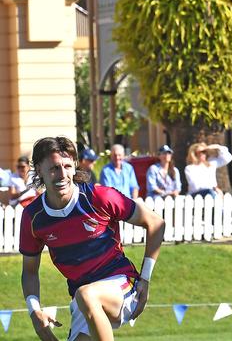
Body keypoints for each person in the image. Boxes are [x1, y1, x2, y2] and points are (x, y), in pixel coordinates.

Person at [19, 136, 165, 341]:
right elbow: (29, 272)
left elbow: (156, 224)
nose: (62, 174)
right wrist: (35, 312)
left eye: (67, 166)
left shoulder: (99, 197)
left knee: (86, 295)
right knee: (85, 296)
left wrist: (146, 280)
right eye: (54, 168)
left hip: (122, 285)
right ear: (39, 170)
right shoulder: (33, 217)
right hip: (84, 300)